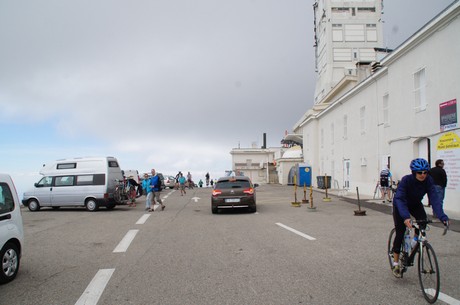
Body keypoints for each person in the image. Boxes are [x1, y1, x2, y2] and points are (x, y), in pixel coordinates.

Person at [391, 158, 449, 278]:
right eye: (419, 172)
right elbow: (400, 199)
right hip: (401, 204)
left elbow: (435, 199)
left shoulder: (428, 180)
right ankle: (395, 262)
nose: (423, 175)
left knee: (423, 225)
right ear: (414, 172)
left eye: (425, 172)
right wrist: (406, 217)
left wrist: (442, 216)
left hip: (415, 204)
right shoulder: (406, 180)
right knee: (400, 231)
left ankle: (413, 243)